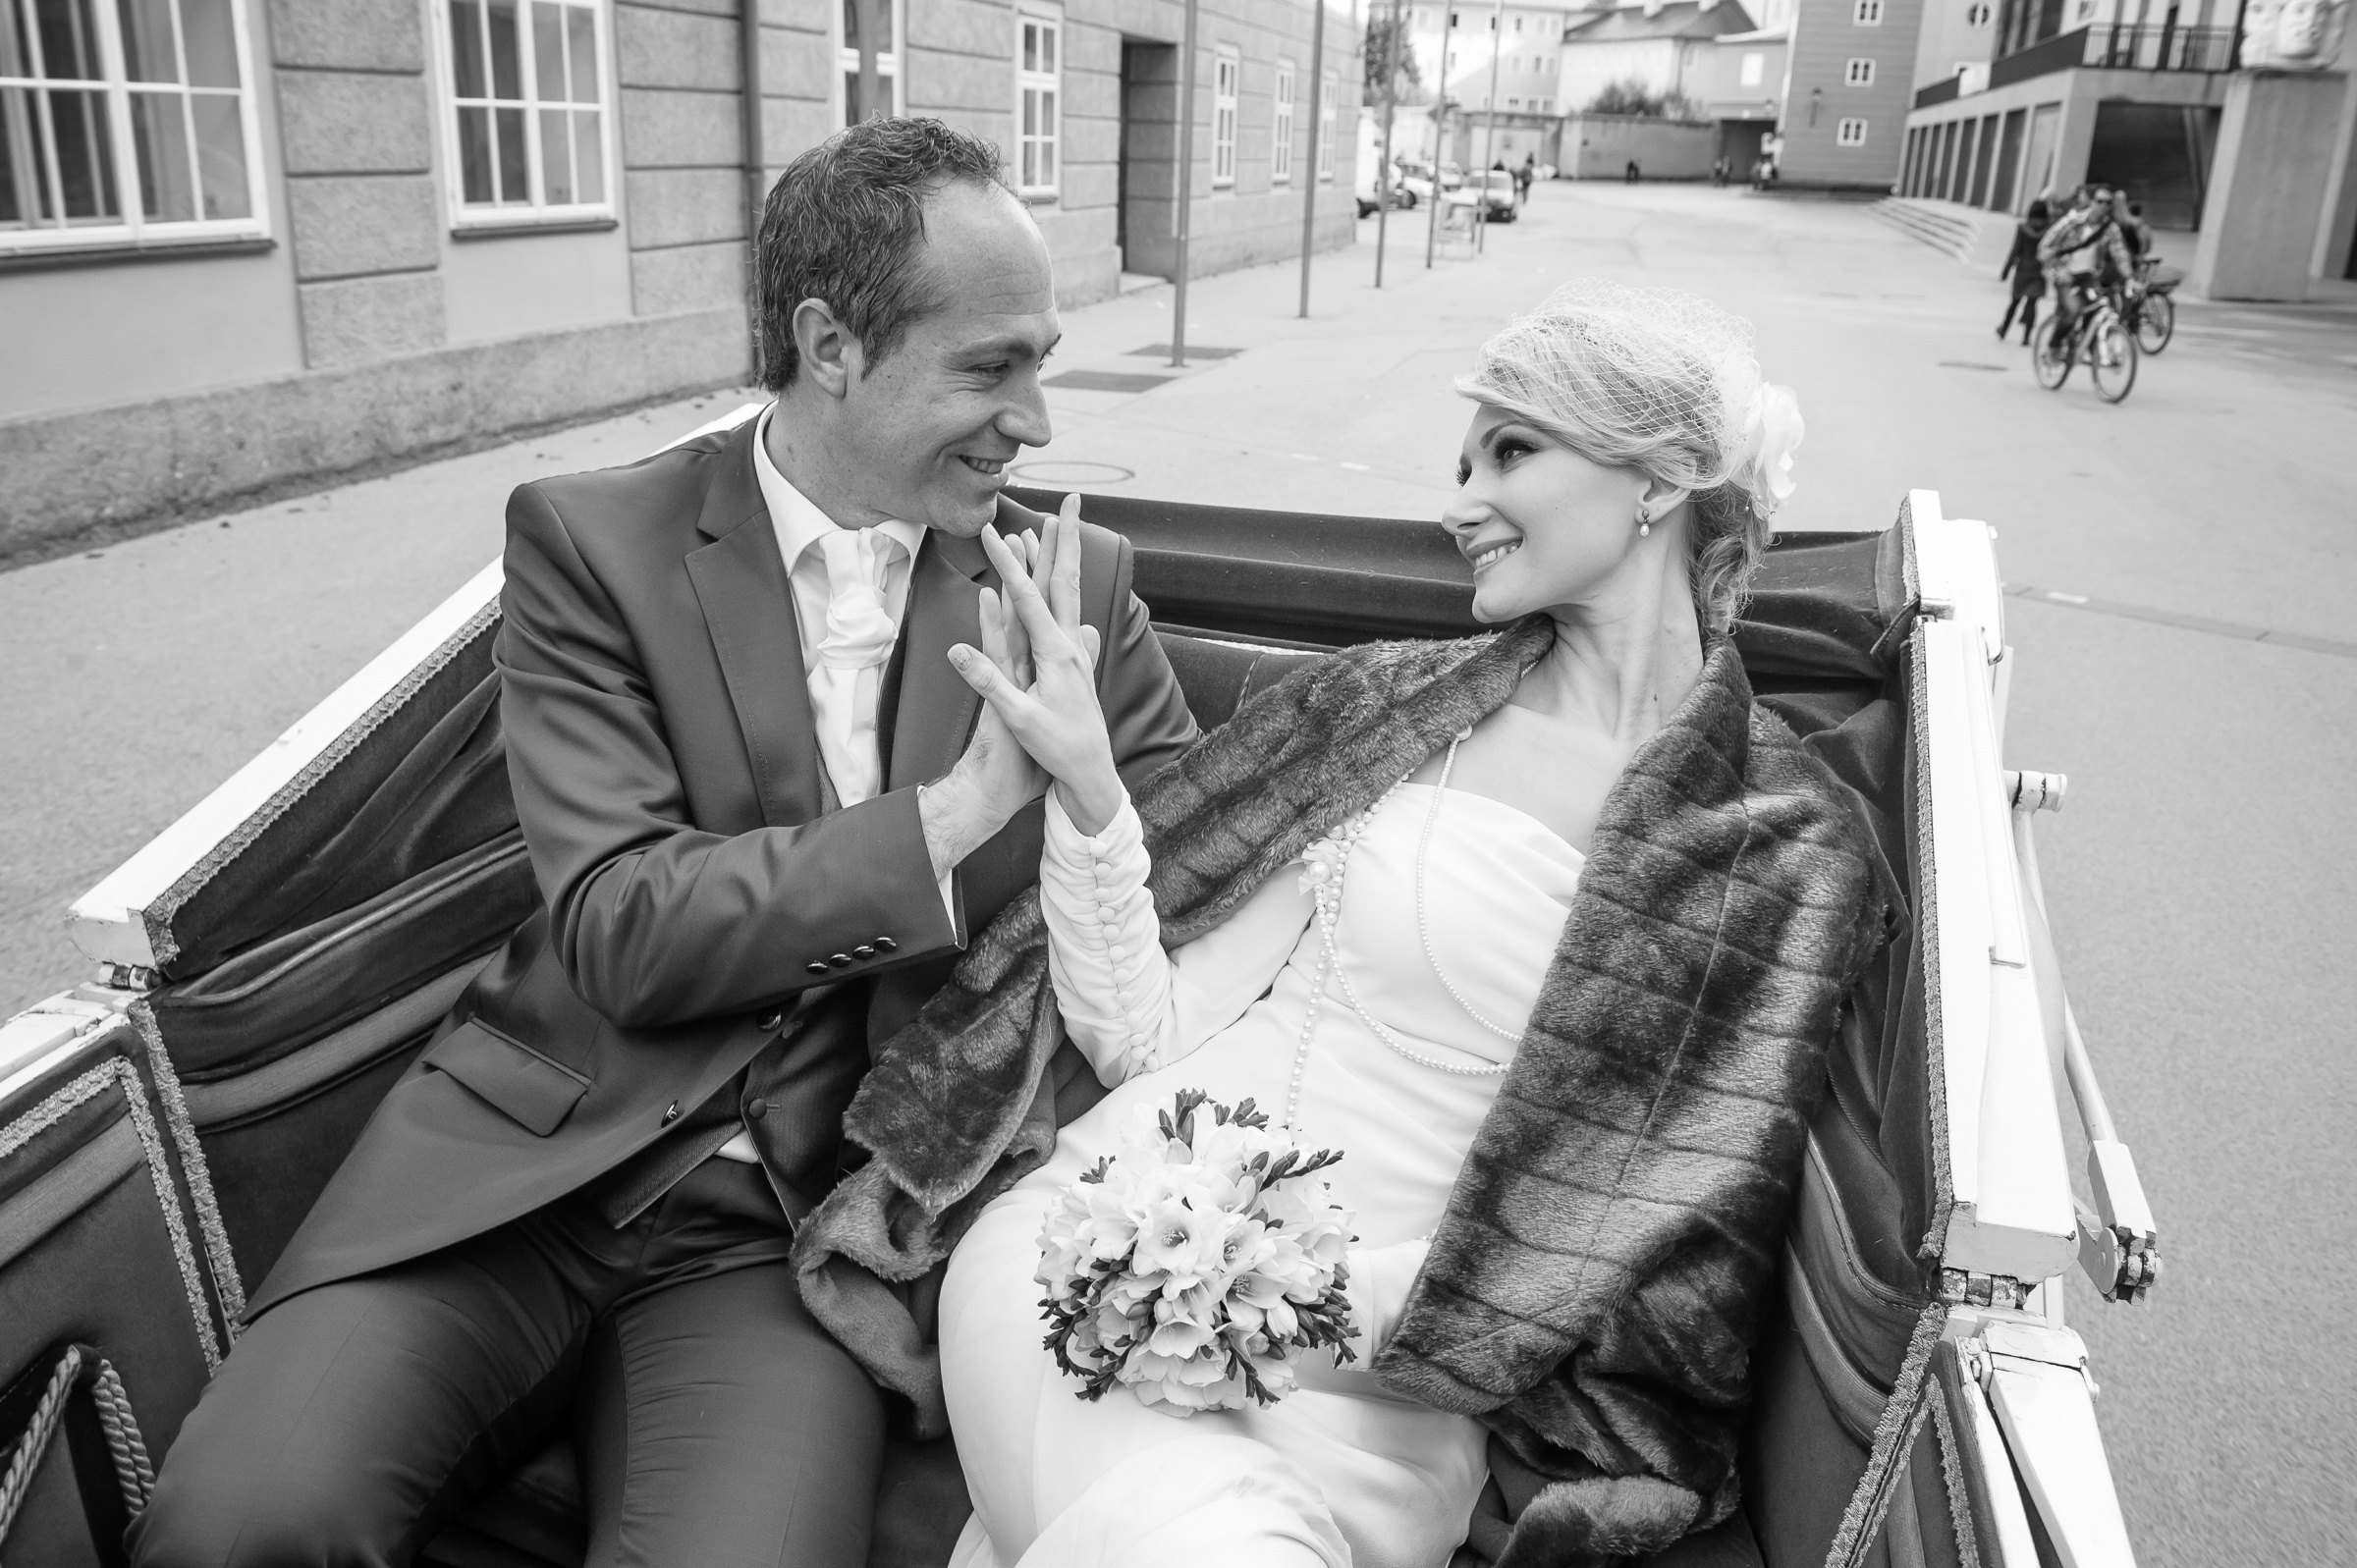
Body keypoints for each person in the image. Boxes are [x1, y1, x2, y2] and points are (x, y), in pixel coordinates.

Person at [128, 119, 1198, 1568]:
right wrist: (961, 811)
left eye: (1044, 361)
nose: (1037, 421)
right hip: (518, 1175)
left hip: (791, 1242)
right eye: (989, 367)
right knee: (237, 1526)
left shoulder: (1082, 593)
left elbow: (1210, 876)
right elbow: (624, 929)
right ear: (831, 345)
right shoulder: (590, 544)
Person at [793, 282, 1884, 1567]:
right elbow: (1144, 1033)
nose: (1459, 503)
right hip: (1092, 1249)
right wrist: (1089, 787)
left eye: (1511, 453)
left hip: (1391, 1385)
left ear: (1666, 477)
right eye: (1461, 461)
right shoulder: (1381, 709)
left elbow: (1636, 1229)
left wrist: (1282, 1301)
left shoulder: (1773, 838)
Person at [2037, 184, 2133, 355]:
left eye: (2108, 202)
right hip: (2064, 274)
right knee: (2072, 311)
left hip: (2088, 275)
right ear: (2091, 202)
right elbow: (2044, 247)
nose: (2103, 206)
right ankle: (2054, 346)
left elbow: (2120, 254)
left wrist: (2129, 277)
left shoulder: (2110, 228)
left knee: (2099, 307)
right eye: (2100, 201)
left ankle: (2088, 343)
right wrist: (2059, 269)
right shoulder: (2072, 222)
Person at [1999, 196, 2054, 345]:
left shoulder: (2023, 228)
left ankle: (2004, 329)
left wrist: (2005, 270)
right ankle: (2026, 337)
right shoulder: (2050, 229)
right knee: (2032, 305)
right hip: (2039, 271)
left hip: (2023, 269)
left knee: (2015, 302)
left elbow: (2015, 250)